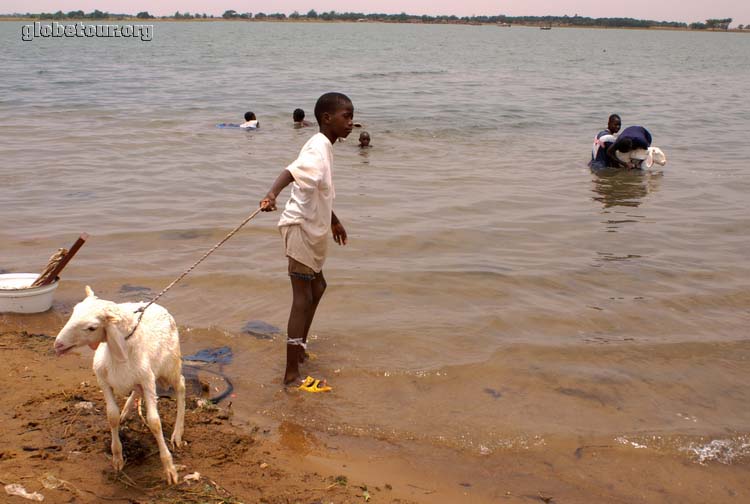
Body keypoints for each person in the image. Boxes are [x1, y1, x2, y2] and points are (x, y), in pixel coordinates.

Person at [259, 92, 353, 385]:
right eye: (346, 116)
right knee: (302, 299)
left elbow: (318, 190)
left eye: (351, 116)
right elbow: (290, 171)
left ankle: (299, 351)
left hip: (313, 229)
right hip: (299, 228)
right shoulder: (318, 146)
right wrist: (271, 194)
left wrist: (334, 221)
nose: (351, 123)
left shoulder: (326, 147)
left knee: (319, 286)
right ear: (327, 118)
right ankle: (291, 374)